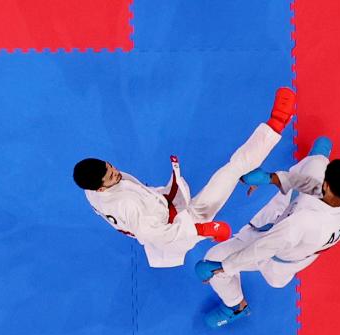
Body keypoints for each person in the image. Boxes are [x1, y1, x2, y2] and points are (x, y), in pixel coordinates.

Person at [73, 87, 297, 268]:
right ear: (102, 189)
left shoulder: (92, 187)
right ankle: (277, 124)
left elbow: (133, 199)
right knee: (232, 170)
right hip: (178, 230)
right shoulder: (127, 206)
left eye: (111, 167)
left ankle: (274, 125)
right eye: (112, 176)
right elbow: (158, 235)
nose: (117, 173)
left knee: (231, 171)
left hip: (161, 208)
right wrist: (205, 230)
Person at [194, 137, 340, 328]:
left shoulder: (303, 222)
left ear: (328, 186)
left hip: (279, 256)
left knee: (212, 260)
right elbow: (314, 187)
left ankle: (236, 307)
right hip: (295, 234)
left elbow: (263, 248)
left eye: (325, 181)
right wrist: (270, 178)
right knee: (317, 163)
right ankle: (318, 157)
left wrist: (225, 266)